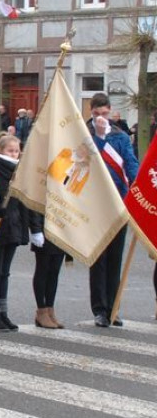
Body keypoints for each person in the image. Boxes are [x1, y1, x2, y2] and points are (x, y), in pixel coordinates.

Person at [86, 93, 139, 327]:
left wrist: (138, 187)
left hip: (119, 201)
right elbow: (85, 160)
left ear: (110, 111)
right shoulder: (84, 133)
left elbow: (130, 163)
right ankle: (99, 309)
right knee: (99, 258)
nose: (101, 118)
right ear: (91, 112)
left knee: (115, 259)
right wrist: (98, 138)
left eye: (105, 114)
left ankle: (113, 308)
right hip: (95, 201)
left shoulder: (120, 136)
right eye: (97, 114)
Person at [0, 134, 42, 331]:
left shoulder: (19, 171)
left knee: (5, 273)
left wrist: (34, 229)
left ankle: (3, 312)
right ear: (1, 151)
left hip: (14, 225)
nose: (14, 154)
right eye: (10, 151)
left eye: (17, 151)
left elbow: (26, 201)